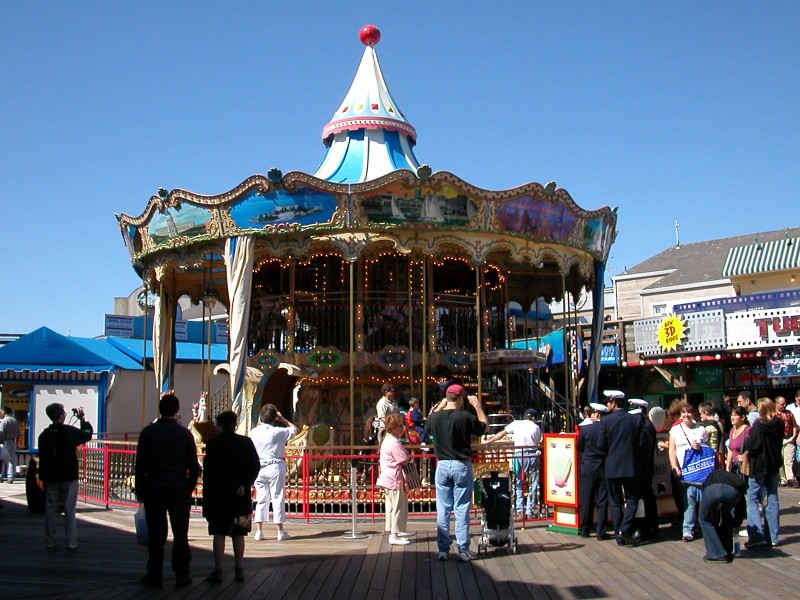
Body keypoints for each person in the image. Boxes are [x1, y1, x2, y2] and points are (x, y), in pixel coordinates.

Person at [135, 393, 200, 588]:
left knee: (156, 534)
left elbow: (140, 465)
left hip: (154, 486)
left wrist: (140, 489)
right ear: (177, 410)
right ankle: (182, 573)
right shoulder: (185, 434)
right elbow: (194, 466)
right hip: (178, 487)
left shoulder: (148, 433)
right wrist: (189, 486)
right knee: (180, 533)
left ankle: (155, 574)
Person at [425, 384, 488, 562]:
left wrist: (440, 405)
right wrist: (478, 407)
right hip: (461, 464)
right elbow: (484, 427)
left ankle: (443, 549)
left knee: (443, 509)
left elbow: (427, 426)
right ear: (460, 398)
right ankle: (462, 548)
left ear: (447, 399)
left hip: (442, 465)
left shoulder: (435, 417)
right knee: (461, 508)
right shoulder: (465, 416)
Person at [202, 411, 260, 584]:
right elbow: (255, 465)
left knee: (218, 533)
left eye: (216, 424)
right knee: (239, 533)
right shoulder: (246, 442)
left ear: (221, 425)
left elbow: (208, 474)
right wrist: (246, 483)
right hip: (241, 497)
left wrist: (206, 500)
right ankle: (239, 568)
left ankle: (218, 570)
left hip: (218, 496)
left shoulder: (213, 444)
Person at [37, 404, 93, 550]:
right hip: (69, 475)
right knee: (69, 509)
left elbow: (42, 458)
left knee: (50, 508)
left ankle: (50, 540)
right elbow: (87, 433)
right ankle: (71, 541)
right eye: (63, 413)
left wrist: (43, 476)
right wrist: (82, 419)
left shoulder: (43, 436)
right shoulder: (69, 432)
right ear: (60, 415)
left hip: (51, 476)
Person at [600, 390, 643, 546]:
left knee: (615, 502)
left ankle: (619, 532)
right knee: (632, 499)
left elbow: (601, 446)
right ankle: (624, 530)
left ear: (614, 402)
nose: (607, 405)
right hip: (630, 466)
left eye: (608, 402)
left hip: (612, 467)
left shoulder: (605, 421)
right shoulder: (635, 420)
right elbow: (640, 443)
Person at [250, 403, 299, 541]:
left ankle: (259, 531)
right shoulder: (278, 432)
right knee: (277, 497)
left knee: (261, 498)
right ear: (274, 417)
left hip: (259, 466)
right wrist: (283, 420)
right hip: (275, 465)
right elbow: (295, 430)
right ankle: (280, 531)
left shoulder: (254, 432)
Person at [483, 407, 542, 517]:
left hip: (519, 455)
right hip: (532, 455)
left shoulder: (516, 423)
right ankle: (530, 510)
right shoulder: (536, 427)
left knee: (518, 482)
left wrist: (489, 441)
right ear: (533, 418)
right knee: (532, 483)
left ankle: (520, 510)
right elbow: (538, 442)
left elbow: (501, 433)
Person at [744, 397, 783, 549]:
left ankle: (756, 536)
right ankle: (773, 537)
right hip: (774, 464)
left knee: (752, 499)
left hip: (759, 466)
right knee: (772, 497)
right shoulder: (779, 423)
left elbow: (752, 446)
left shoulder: (758, 426)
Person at [668, 402, 709, 542]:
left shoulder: (701, 429)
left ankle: (703, 525)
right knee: (689, 499)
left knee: (701, 499)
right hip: (683, 470)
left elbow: (708, 449)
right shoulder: (675, 430)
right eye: (684, 412)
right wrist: (674, 466)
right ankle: (688, 529)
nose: (686, 415)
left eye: (689, 412)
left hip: (699, 470)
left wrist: (701, 447)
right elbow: (671, 450)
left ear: (693, 414)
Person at [376, 413, 412, 545]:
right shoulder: (394, 442)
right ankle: (394, 535)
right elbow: (404, 459)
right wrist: (406, 454)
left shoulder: (387, 440)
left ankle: (394, 530)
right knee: (396, 508)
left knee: (392, 507)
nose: (402, 428)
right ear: (392, 428)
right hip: (393, 478)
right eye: (399, 426)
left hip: (388, 477)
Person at [698, 468, 747, 563]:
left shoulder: (710, 477)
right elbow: (741, 504)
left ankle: (716, 554)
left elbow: (707, 504)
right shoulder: (734, 479)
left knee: (704, 519)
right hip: (733, 492)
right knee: (726, 516)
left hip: (712, 489)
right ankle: (727, 550)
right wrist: (736, 523)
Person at [576, 402, 609, 539]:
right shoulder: (607, 430)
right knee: (603, 500)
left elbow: (579, 446)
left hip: (588, 466)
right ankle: (601, 531)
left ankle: (585, 529)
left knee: (587, 498)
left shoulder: (586, 430)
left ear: (596, 414)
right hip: (603, 466)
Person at [629, 398, 658, 540]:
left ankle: (643, 528)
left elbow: (643, 450)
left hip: (642, 468)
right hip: (644, 468)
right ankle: (650, 526)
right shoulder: (647, 424)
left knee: (642, 498)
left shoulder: (644, 427)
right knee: (646, 497)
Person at [774, 396, 797, 487]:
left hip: (789, 438)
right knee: (780, 459)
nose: (784, 405)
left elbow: (794, 424)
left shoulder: (788, 413)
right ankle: (782, 480)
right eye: (782, 404)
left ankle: (790, 479)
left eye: (785, 403)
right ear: (776, 404)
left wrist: (794, 436)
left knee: (789, 460)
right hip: (778, 440)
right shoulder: (773, 414)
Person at [0, 408, 20, 483]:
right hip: (13, 441)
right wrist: (17, 443)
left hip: (4, 441)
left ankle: (1, 476)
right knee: (11, 460)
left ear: (4, 412)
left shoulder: (4, 421)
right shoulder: (15, 421)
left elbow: (1, 432)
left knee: (1, 458)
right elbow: (18, 433)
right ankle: (10, 477)